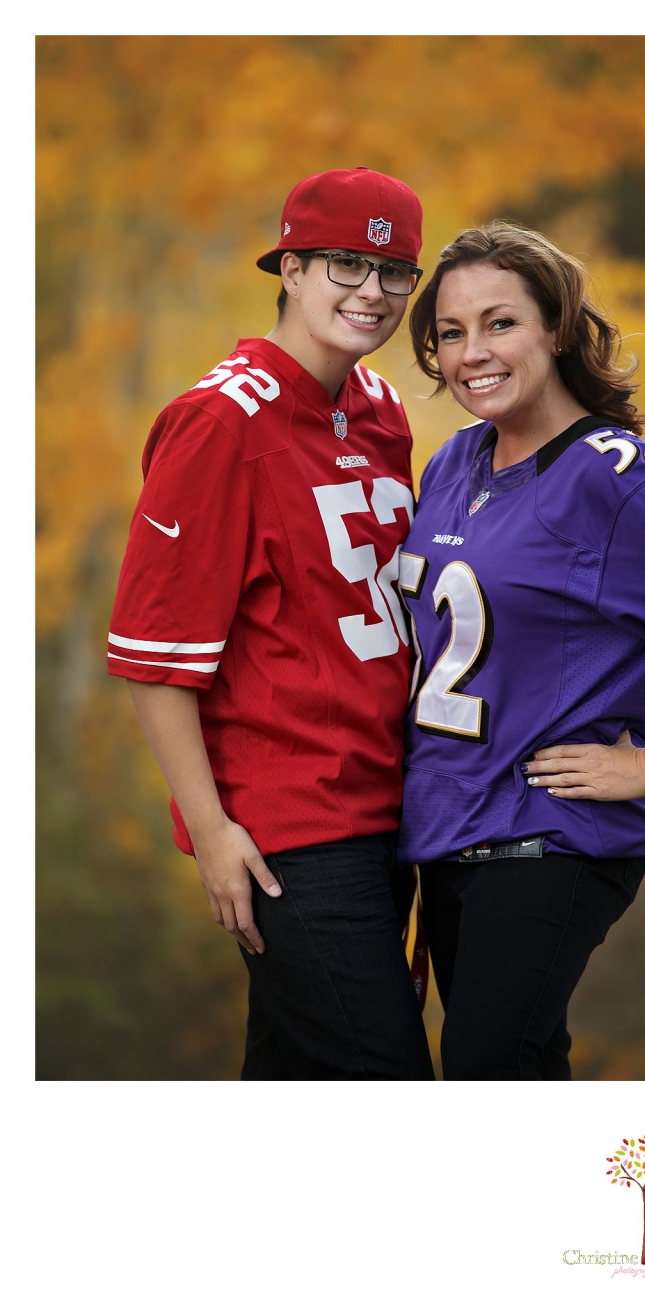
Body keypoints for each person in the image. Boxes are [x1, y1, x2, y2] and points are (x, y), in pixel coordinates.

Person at [108, 167, 434, 1080]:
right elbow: (154, 657)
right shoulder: (219, 422)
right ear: (288, 268)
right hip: (293, 831)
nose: (372, 292)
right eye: (342, 263)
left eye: (394, 271)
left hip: (388, 809)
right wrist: (214, 833)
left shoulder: (383, 409)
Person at [400, 220, 645, 1080]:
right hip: (452, 829)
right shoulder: (452, 464)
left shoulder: (618, 480)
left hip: (550, 836)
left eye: (500, 322)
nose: (473, 351)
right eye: (450, 331)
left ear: (554, 325)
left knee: (486, 1070)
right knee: (518, 1070)